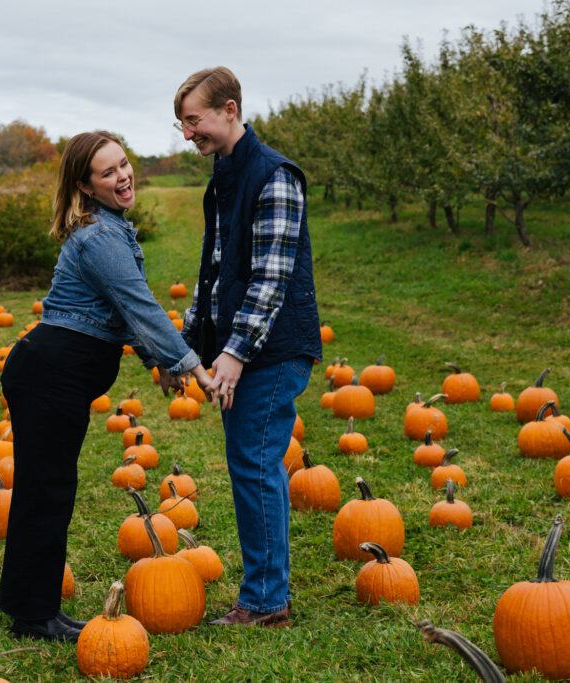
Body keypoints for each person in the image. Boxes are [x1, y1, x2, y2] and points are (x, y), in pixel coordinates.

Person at [0, 130, 213, 642]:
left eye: (124, 164)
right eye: (108, 171)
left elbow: (117, 313)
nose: (123, 176)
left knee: (46, 490)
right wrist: (189, 364)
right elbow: (138, 306)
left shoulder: (109, 229)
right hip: (49, 375)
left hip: (54, 376)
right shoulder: (100, 238)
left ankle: (35, 607)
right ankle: (34, 616)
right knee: (46, 491)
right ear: (86, 186)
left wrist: (156, 364)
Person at [174, 67, 323, 627]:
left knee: (255, 463)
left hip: (273, 350)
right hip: (247, 347)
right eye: (181, 124)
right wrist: (188, 340)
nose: (188, 134)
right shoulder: (225, 175)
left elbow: (270, 279)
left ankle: (265, 601)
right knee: (254, 465)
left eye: (195, 120)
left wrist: (232, 354)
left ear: (229, 110)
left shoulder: (274, 176)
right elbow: (214, 269)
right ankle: (267, 593)